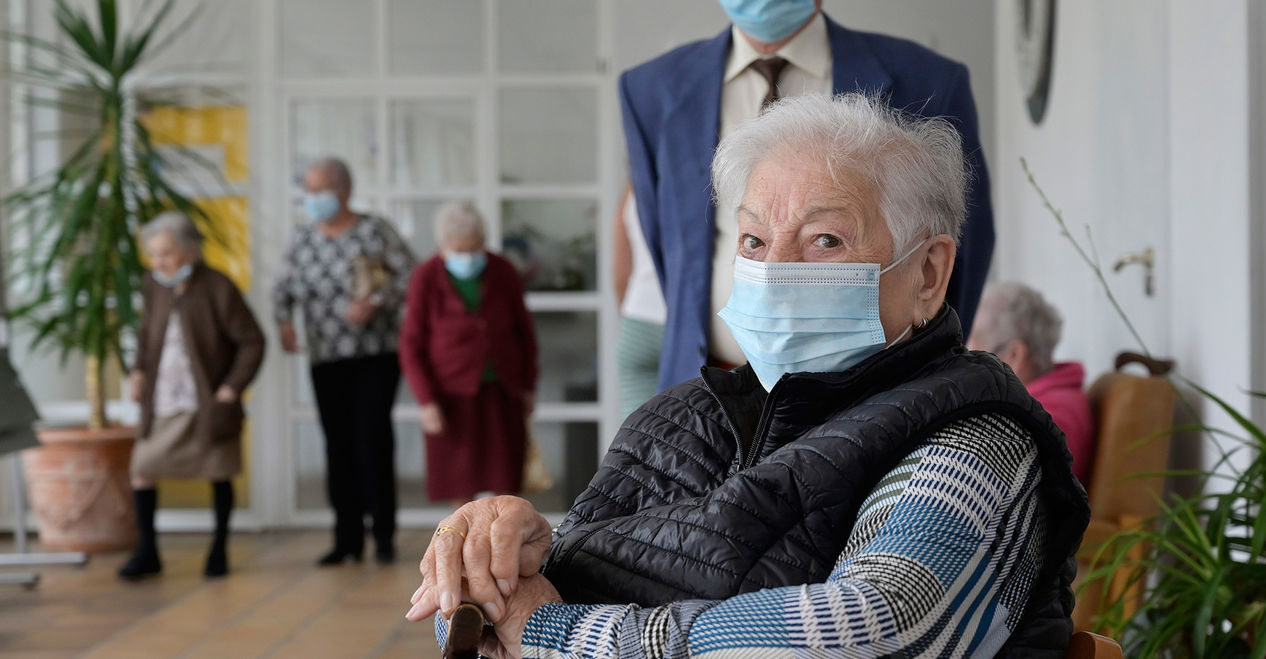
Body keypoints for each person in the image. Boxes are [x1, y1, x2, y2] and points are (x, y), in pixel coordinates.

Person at [405, 95, 1089, 658]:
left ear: (929, 274)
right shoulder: (679, 417)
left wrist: (555, 635)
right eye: (756, 241)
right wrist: (501, 551)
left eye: (826, 240)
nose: (776, 268)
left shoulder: (976, 434)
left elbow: (875, 631)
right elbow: (495, 621)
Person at [625, 0, 996, 393]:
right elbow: (668, 250)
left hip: (874, 389)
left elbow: (961, 246)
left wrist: (924, 369)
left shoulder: (925, 81)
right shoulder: (651, 93)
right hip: (707, 384)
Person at [272, 157, 416, 565]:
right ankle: (346, 538)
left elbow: (412, 275)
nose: (312, 198)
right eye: (309, 190)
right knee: (338, 445)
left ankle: (383, 535)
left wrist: (376, 301)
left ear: (345, 191)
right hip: (326, 356)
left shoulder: (374, 230)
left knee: (371, 440)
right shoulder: (302, 239)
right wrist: (283, 321)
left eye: (320, 189)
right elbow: (282, 286)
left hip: (374, 354)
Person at [120, 212, 265, 580]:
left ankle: (218, 550)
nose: (158, 263)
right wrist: (138, 371)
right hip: (164, 401)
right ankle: (148, 551)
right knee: (142, 468)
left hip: (207, 404)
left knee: (218, 470)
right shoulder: (154, 285)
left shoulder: (218, 287)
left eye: (166, 254)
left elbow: (252, 341)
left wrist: (232, 387)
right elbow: (144, 334)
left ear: (189, 251)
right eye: (153, 255)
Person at [398, 202, 538, 506]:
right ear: (443, 246)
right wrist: (426, 401)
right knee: (460, 482)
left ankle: (505, 549)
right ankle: (464, 552)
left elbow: (524, 334)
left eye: (474, 247)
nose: (468, 256)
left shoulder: (502, 271)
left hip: (502, 390)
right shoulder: (426, 277)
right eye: (459, 249)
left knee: (506, 482)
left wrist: (528, 385)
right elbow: (411, 345)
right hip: (450, 397)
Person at [969, 282, 1095, 483]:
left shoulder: (1046, 417)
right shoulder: (1043, 402)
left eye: (974, 354)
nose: (967, 368)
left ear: (1014, 355)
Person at [612, 186, 667, 418]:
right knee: (692, 436)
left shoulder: (632, 191)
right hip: (686, 325)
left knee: (636, 435)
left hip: (638, 320)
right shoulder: (699, 184)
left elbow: (620, 277)